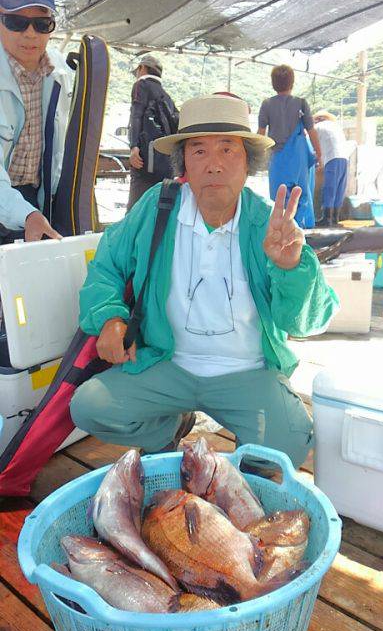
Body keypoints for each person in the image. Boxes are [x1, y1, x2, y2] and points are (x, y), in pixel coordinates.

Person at [70, 94, 339, 466]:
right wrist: (110, 319)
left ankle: (228, 468)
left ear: (249, 163)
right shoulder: (157, 205)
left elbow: (307, 322)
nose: (214, 165)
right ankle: (169, 430)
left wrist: (293, 267)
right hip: (168, 362)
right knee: (89, 407)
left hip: (245, 370)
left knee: (287, 447)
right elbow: (106, 266)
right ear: (184, 165)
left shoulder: (270, 224)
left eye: (228, 150)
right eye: (199, 152)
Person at [0, 0, 73, 243]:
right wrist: (26, 214)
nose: (30, 34)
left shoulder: (63, 75)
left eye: (42, 24)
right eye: (16, 22)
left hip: (38, 204)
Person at [258, 65, 322, 229]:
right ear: (292, 82)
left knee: (278, 197)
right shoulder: (301, 103)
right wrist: (319, 153)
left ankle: (280, 230)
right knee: (301, 195)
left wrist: (256, 157)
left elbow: (260, 133)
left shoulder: (266, 104)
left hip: (276, 158)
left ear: (273, 83)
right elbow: (311, 130)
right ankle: (301, 233)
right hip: (298, 158)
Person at [127, 54, 179, 211]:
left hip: (144, 160)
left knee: (135, 208)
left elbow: (136, 115)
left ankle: (131, 234)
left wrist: (134, 146)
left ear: (143, 68)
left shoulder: (141, 85)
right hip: (165, 164)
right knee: (157, 208)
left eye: (137, 70)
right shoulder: (167, 97)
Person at [313, 110, 349, 226]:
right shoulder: (336, 127)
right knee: (339, 189)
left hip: (331, 158)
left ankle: (326, 219)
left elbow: (311, 145)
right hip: (344, 158)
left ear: (318, 119)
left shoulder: (317, 127)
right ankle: (335, 219)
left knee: (329, 188)